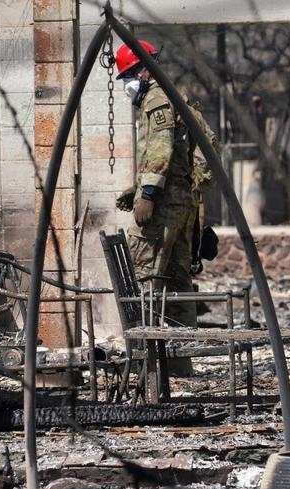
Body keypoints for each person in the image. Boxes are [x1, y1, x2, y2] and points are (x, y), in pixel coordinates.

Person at [113, 40, 218, 327]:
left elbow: (160, 148)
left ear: (144, 71)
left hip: (164, 205)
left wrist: (147, 193)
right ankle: (181, 359)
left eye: (129, 76)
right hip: (181, 202)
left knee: (144, 275)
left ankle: (146, 359)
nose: (127, 84)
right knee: (177, 280)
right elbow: (175, 156)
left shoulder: (157, 99)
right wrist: (138, 188)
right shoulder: (171, 95)